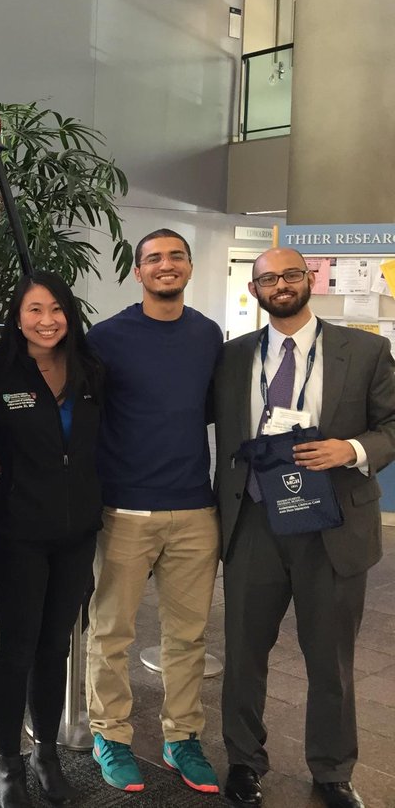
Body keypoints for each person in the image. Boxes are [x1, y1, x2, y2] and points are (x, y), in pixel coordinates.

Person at [212, 248, 395, 808]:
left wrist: (354, 448)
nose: (281, 284)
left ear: (308, 278)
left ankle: (333, 771)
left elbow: (393, 424)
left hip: (331, 527)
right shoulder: (231, 356)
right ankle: (244, 762)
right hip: (254, 524)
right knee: (243, 654)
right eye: (268, 278)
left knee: (331, 658)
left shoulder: (364, 350)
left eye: (291, 274)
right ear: (254, 288)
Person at [84, 228, 223, 794]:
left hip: (194, 508)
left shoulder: (209, 335)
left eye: (176, 257)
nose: (166, 266)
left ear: (188, 268)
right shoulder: (108, 339)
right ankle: (110, 737)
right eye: (154, 259)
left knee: (188, 637)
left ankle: (181, 737)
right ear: (137, 273)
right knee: (111, 632)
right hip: (125, 508)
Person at [0, 271, 103, 808]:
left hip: (77, 533)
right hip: (18, 532)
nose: (46, 320)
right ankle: (9, 764)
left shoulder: (91, 370)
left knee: (55, 646)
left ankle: (45, 755)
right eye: (33, 310)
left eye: (56, 309)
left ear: (69, 314)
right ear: (17, 317)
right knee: (17, 648)